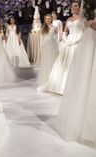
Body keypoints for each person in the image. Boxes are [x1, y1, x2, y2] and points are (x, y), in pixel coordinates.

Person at [58, 0, 96, 148]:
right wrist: (90, 23)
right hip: (89, 38)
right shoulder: (85, 4)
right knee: (87, 74)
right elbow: (82, 22)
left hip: (84, 38)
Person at [38, 1, 84, 95]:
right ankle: (61, 86)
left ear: (79, 7)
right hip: (68, 42)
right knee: (64, 63)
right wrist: (66, 40)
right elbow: (64, 32)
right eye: (72, 6)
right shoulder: (68, 19)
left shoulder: (82, 18)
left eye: (76, 6)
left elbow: (84, 31)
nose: (73, 8)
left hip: (79, 41)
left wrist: (77, 40)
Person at [37, 14, 58, 86]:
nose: (48, 20)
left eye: (49, 19)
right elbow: (41, 39)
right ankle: (46, 77)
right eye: (46, 19)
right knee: (46, 61)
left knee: (52, 59)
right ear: (45, 20)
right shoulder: (43, 28)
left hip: (52, 45)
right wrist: (41, 48)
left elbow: (56, 38)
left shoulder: (55, 27)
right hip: (45, 46)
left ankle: (53, 78)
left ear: (51, 19)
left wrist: (57, 47)